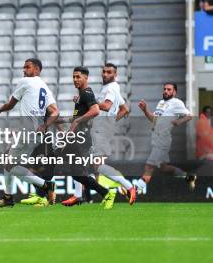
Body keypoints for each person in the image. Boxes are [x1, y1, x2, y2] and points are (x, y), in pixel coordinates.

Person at [0, 58, 58, 209]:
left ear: (37, 70)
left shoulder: (25, 82)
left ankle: (45, 186)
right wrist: (45, 125)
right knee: (9, 163)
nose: (24, 70)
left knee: (10, 165)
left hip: (28, 131)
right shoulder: (45, 87)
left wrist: (1, 109)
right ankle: (8, 197)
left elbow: (11, 104)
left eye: (28, 67)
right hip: (37, 134)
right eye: (23, 68)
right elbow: (55, 112)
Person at [64, 63, 136, 206]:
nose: (105, 74)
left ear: (115, 75)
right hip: (100, 129)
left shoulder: (111, 88)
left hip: (100, 131)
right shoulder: (113, 88)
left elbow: (106, 106)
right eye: (103, 72)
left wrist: (89, 101)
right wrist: (111, 122)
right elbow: (125, 109)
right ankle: (79, 195)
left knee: (95, 166)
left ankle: (128, 186)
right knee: (81, 161)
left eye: (109, 72)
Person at [59, 67, 117, 209]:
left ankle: (104, 193)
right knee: (76, 172)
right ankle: (79, 196)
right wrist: (62, 120)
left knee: (77, 172)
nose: (75, 80)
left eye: (78, 77)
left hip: (82, 138)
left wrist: (77, 122)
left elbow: (96, 110)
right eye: (73, 77)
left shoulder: (86, 93)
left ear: (86, 78)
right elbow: (77, 117)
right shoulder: (81, 95)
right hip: (78, 137)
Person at [135, 83, 196, 193]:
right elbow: (154, 120)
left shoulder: (176, 103)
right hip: (156, 139)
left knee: (149, 166)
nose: (166, 91)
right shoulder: (161, 103)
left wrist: (179, 121)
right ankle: (189, 176)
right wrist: (145, 110)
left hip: (163, 140)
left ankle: (135, 191)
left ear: (174, 92)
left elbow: (190, 115)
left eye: (169, 89)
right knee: (164, 168)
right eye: (164, 89)